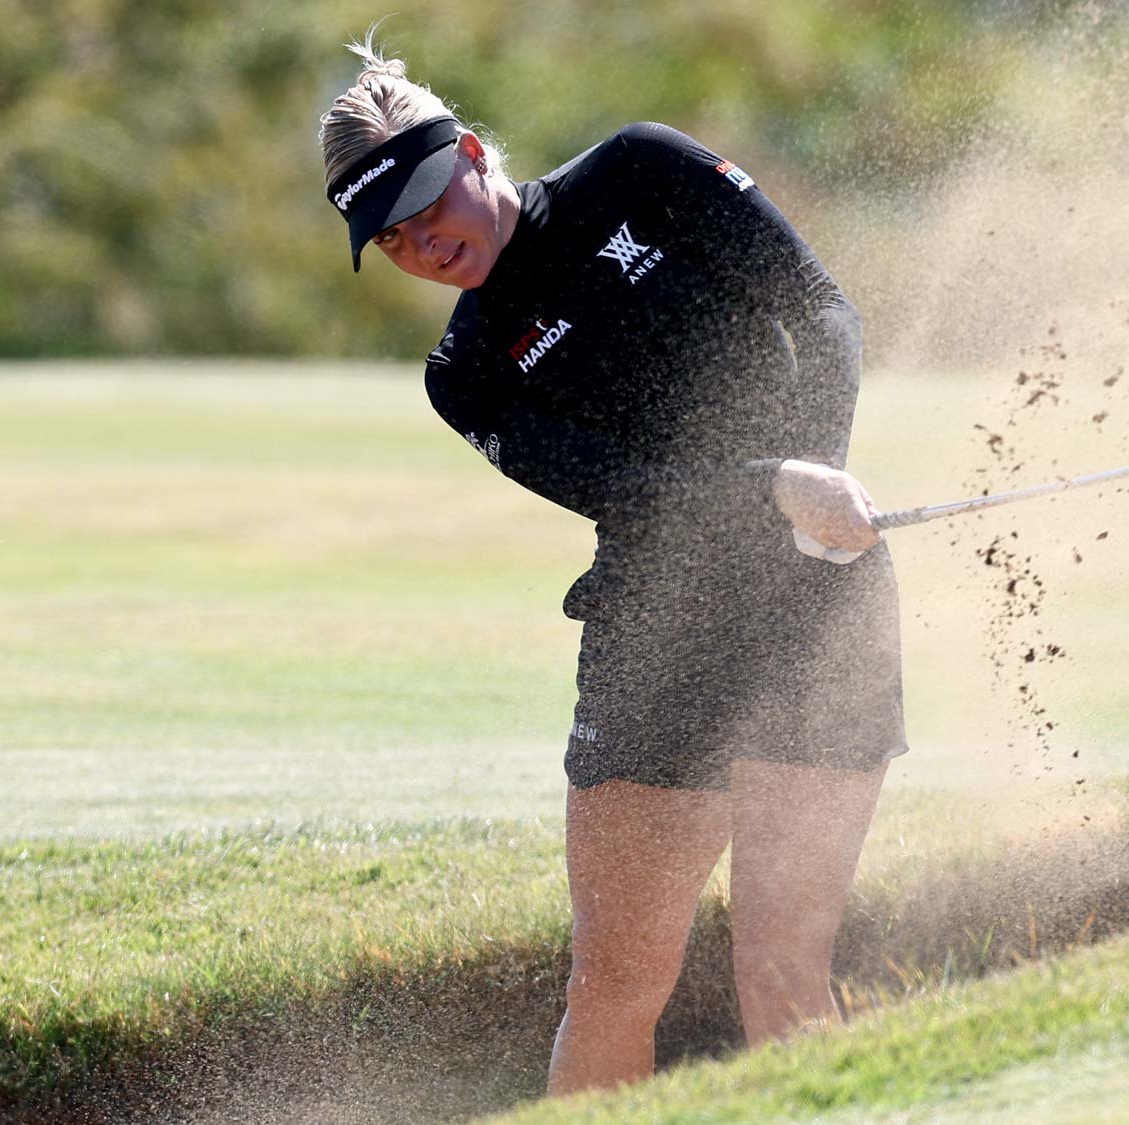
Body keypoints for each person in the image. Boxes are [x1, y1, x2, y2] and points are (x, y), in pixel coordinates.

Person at [317, 34, 906, 1096]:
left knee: (781, 967)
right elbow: (623, 489)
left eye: (426, 202)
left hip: (817, 600)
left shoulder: (641, 171)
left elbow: (819, 307)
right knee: (614, 981)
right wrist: (773, 485)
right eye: (388, 235)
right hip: (653, 630)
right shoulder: (466, 374)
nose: (419, 241)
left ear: (475, 155)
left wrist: (816, 472)